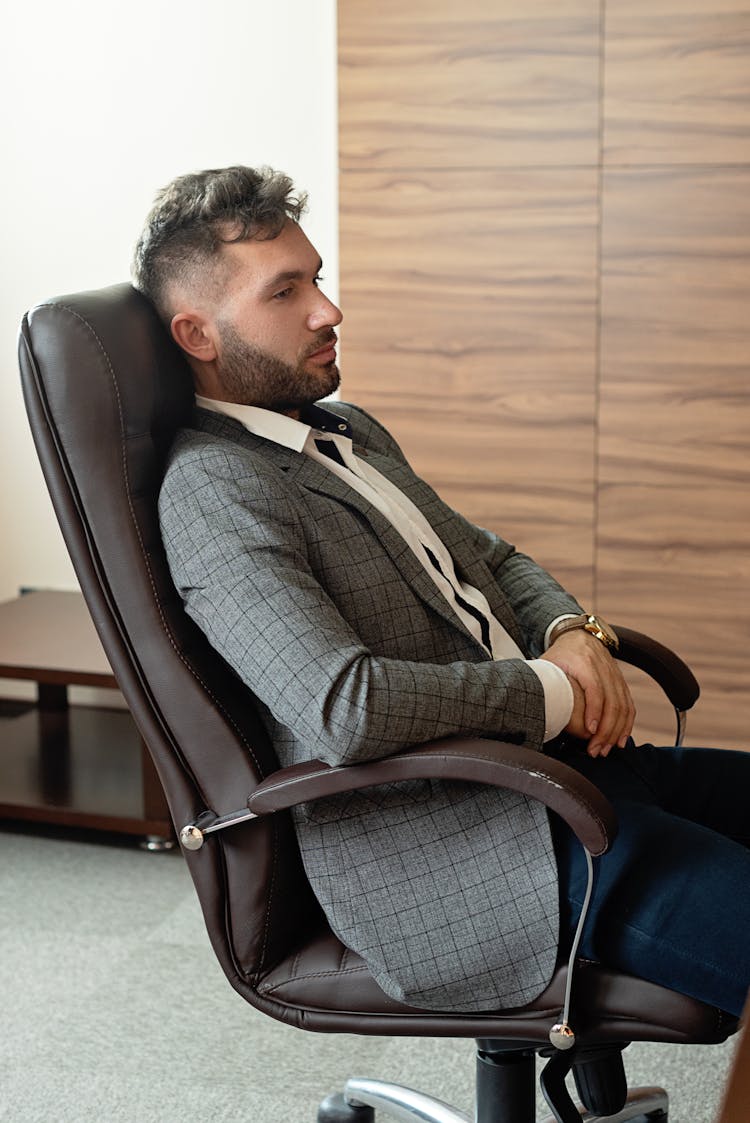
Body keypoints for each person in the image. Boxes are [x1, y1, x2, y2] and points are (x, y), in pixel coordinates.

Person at [133, 165, 750, 1018]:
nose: (328, 309)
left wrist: (572, 630)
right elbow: (345, 706)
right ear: (198, 334)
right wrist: (553, 691)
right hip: (466, 856)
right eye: (287, 292)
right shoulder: (214, 489)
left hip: (555, 780)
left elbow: (491, 558)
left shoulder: (346, 431)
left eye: (317, 277)